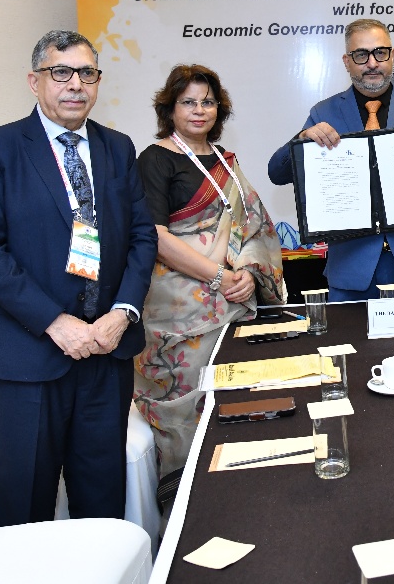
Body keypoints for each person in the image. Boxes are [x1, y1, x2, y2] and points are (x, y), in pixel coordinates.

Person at [0, 30, 156, 526]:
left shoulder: (117, 147)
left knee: (102, 497)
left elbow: (141, 238)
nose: (75, 84)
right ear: (35, 81)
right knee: (26, 501)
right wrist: (54, 322)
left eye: (87, 73)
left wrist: (123, 312)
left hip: (106, 348)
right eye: (61, 72)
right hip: (28, 354)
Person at [134, 64, 285, 479]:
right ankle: (185, 495)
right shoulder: (155, 159)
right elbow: (156, 237)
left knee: (237, 398)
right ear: (170, 109)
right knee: (188, 412)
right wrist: (217, 277)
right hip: (177, 314)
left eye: (208, 102)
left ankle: (238, 483)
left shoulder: (224, 161)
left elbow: (253, 227)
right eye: (188, 102)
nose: (199, 110)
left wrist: (249, 274)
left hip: (234, 301)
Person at [268, 19, 394, 300]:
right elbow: (277, 174)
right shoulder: (324, 112)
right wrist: (302, 139)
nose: (372, 63)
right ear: (347, 62)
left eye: (380, 53)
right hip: (351, 270)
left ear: (392, 55)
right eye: (361, 55)